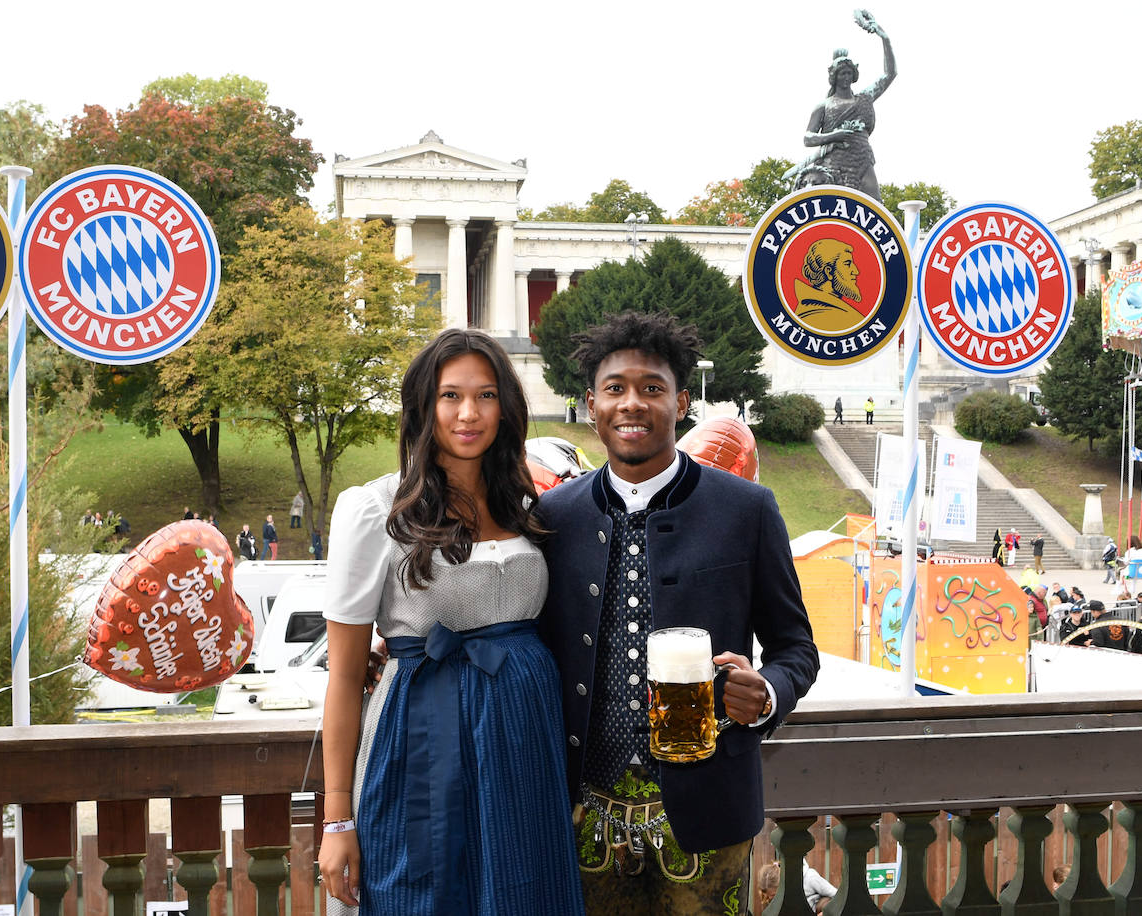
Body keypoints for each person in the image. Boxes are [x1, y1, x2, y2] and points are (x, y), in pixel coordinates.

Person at [537, 312, 819, 914]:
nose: (632, 404)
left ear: (682, 402)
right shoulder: (553, 517)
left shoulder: (747, 510)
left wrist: (766, 692)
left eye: (652, 388)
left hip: (709, 814)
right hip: (583, 815)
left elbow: (796, 647)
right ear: (591, 404)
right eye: (615, 388)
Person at [319, 328, 584, 915]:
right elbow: (341, 678)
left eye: (486, 396)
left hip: (521, 740)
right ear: (424, 405)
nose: (469, 413)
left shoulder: (524, 507)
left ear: (506, 407)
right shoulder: (374, 509)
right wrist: (337, 818)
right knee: (422, 891)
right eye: (451, 396)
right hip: (422, 736)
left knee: (523, 893)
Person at [786, 11, 896, 200]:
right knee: (836, 209)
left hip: (862, 157)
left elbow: (890, 74)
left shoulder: (864, 98)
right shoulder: (824, 105)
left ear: (853, 75)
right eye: (841, 74)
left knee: (875, 205)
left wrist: (883, 37)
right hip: (833, 163)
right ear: (834, 77)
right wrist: (834, 136)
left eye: (848, 73)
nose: (845, 77)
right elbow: (808, 138)